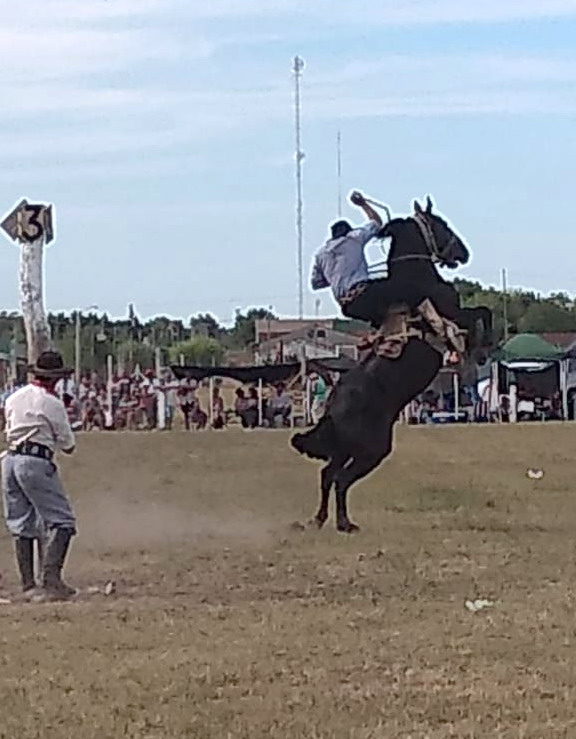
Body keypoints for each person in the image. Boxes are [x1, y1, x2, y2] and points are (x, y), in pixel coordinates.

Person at [1, 351, 77, 600]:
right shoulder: (52, 403)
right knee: (62, 521)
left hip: (10, 460)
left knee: (21, 524)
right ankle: (51, 580)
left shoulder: (14, 397)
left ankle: (28, 585)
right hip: (35, 461)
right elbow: (68, 445)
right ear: (55, 378)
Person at [311, 190, 385, 328]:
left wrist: (335, 276)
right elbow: (376, 222)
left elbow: (316, 283)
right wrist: (363, 204)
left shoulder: (320, 254)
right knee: (396, 287)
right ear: (349, 231)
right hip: (362, 293)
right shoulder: (354, 237)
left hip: (345, 304)